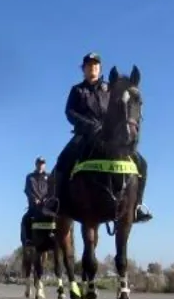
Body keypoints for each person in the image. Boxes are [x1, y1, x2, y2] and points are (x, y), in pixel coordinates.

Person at [50, 52, 152, 223]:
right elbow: (69, 112)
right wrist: (88, 125)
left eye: (95, 66)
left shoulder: (110, 89)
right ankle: (57, 202)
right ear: (83, 69)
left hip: (109, 135)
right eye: (89, 66)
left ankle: (138, 206)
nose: (92, 68)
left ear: (99, 69)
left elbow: (120, 108)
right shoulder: (77, 90)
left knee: (142, 163)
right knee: (63, 160)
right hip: (84, 134)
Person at [21, 156, 50, 245]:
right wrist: (34, 199)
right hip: (34, 206)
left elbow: (52, 190)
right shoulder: (30, 177)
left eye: (42, 163)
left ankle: (52, 234)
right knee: (26, 219)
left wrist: (46, 199)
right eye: (39, 163)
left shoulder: (49, 176)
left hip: (47, 206)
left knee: (57, 217)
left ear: (44, 165)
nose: (40, 165)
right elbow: (27, 190)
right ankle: (29, 239)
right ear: (36, 164)